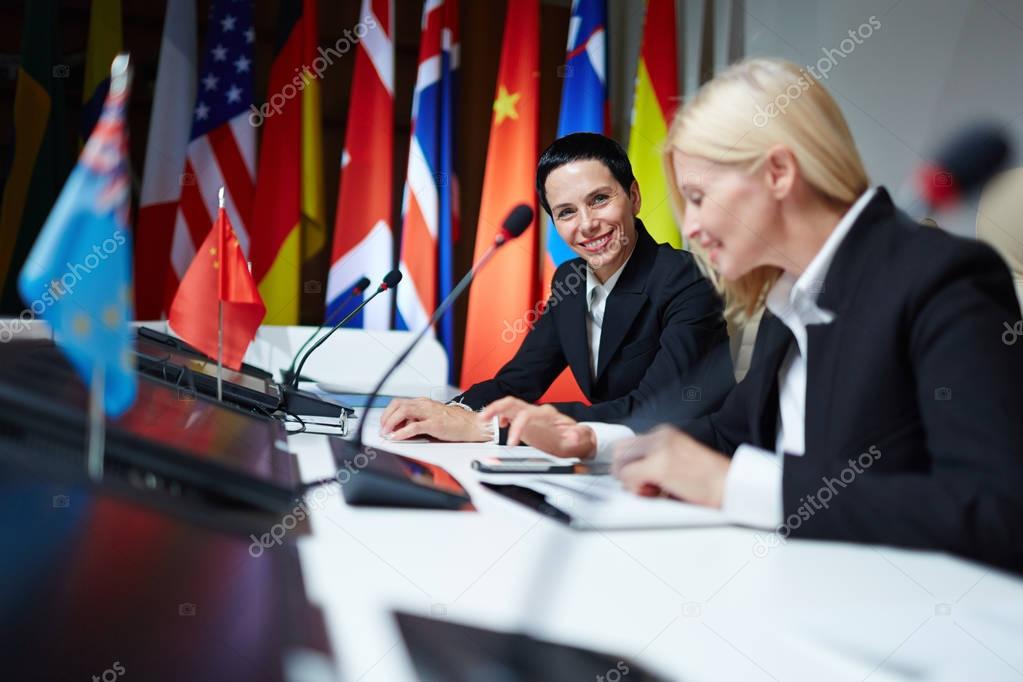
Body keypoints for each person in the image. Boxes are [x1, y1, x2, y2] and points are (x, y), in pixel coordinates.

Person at [484, 58, 1023, 572]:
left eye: (697, 197)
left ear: (779, 172)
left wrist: (737, 487)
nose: (690, 227)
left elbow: (994, 510)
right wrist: (593, 441)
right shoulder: (787, 296)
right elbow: (725, 434)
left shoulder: (943, 278)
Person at [380, 132, 733, 443]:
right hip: (611, 461)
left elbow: (653, 409)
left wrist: (491, 428)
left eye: (599, 199)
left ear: (634, 197)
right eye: (566, 212)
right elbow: (516, 383)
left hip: (692, 470)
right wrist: (445, 413)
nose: (587, 225)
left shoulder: (687, 278)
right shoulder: (570, 280)